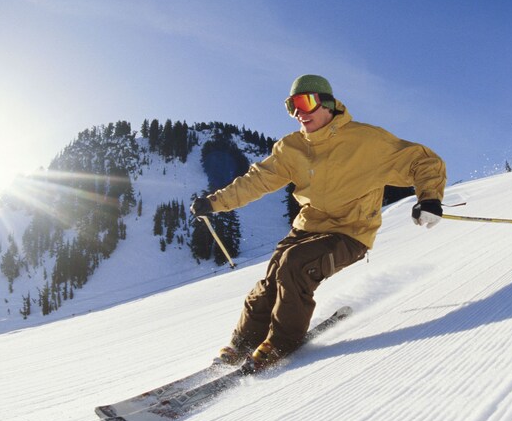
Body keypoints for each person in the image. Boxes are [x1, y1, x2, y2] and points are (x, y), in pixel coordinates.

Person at [190, 74, 446, 371]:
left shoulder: (367, 140)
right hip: (306, 228)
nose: (298, 112)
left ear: (327, 103)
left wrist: (429, 198)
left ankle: (281, 343)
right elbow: (256, 181)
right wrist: (214, 202)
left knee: (294, 265)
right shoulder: (292, 148)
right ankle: (243, 342)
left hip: (349, 232)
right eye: (291, 106)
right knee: (273, 275)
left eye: (304, 102)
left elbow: (423, 161)